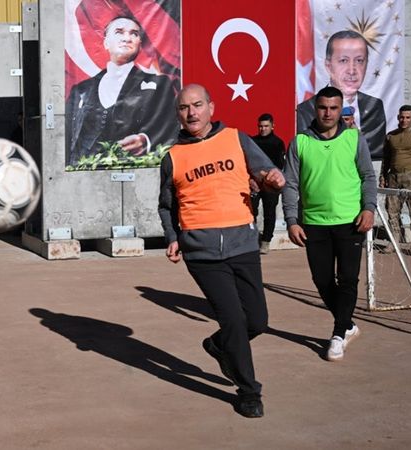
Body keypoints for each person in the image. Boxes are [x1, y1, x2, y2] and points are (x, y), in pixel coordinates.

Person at [158, 84, 285, 418]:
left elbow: (265, 172)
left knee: (257, 320)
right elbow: (166, 205)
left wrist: (272, 179)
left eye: (198, 105)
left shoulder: (236, 138)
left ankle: (217, 346)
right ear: (178, 115)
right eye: (184, 108)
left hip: (242, 244)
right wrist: (172, 236)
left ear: (211, 107)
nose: (192, 113)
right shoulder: (173, 157)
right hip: (201, 253)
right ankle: (248, 391)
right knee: (231, 319)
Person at [283, 86, 377, 362]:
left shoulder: (354, 138)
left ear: (341, 110)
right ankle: (348, 324)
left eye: (333, 108)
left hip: (351, 221)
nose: (328, 112)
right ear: (315, 108)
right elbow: (290, 184)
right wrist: (291, 220)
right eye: (323, 107)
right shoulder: (299, 142)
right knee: (322, 279)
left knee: (348, 279)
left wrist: (368, 209)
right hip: (313, 223)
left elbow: (368, 177)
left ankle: (337, 334)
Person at [66, 15, 177, 168]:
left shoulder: (159, 85)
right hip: (84, 176)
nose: (127, 38)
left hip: (137, 172)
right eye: (119, 32)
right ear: (106, 43)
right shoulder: (81, 90)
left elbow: (170, 125)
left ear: (139, 43)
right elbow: (66, 135)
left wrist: (146, 139)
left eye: (134, 34)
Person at [296, 30, 386, 159]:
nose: (352, 70)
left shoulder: (375, 106)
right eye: (343, 61)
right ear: (328, 66)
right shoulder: (306, 109)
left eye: (359, 60)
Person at [250, 113, 286, 254]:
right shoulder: (252, 141)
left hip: (271, 185)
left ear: (272, 126)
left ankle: (265, 242)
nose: (263, 129)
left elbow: (279, 166)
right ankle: (251, 240)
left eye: (266, 126)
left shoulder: (278, 143)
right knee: (250, 212)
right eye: (260, 126)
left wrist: (269, 180)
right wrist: (252, 180)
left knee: (269, 213)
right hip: (254, 184)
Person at [380, 105, 411, 249]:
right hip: (393, 177)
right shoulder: (391, 135)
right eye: (401, 117)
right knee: (392, 211)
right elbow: (386, 158)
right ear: (397, 117)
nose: (404, 120)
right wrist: (382, 175)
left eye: (407, 117)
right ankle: (394, 241)